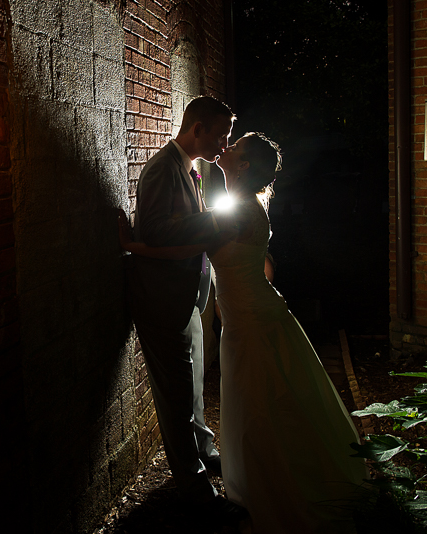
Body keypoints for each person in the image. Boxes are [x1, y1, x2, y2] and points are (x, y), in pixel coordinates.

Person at [122, 133, 368, 533]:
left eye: (235, 147)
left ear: (245, 165)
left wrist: (133, 245)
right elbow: (256, 259)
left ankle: (274, 484)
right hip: (252, 313)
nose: (227, 148)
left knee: (261, 404)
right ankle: (273, 472)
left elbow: (185, 248)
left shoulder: (238, 209)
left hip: (252, 320)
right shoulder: (242, 204)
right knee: (270, 398)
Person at [127, 96, 244, 522]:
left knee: (193, 384)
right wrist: (214, 220)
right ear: (197, 129)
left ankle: (207, 453)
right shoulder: (162, 168)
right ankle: (196, 493)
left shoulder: (191, 167)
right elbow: (155, 232)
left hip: (189, 293)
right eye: (220, 135)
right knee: (175, 396)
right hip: (162, 298)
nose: (223, 145)